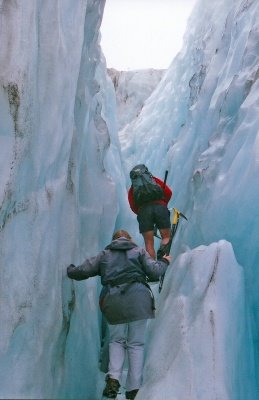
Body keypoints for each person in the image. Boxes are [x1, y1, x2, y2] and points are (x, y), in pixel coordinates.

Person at [67, 230, 171, 399]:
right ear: (129, 239)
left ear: (114, 240)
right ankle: (133, 389)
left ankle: (114, 378)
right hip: (139, 301)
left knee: (117, 340)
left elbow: (84, 270)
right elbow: (154, 271)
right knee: (136, 344)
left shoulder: (105, 255)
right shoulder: (139, 252)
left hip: (114, 302)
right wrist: (164, 261)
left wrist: (71, 270)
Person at [128, 165, 173, 259]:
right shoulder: (154, 180)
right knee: (166, 237)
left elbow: (132, 206)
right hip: (160, 207)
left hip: (143, 212)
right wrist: (163, 204)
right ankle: (163, 255)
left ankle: (152, 267)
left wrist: (141, 212)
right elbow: (168, 192)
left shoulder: (133, 188)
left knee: (149, 244)